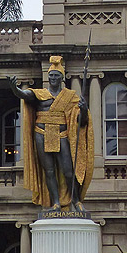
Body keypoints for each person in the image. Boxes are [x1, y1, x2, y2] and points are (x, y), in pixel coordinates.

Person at [8, 55, 94, 212]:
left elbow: (81, 122)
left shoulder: (70, 96)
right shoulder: (40, 94)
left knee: (68, 170)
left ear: (61, 78)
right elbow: (24, 95)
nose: (53, 78)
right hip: (42, 133)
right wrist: (15, 89)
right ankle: (55, 202)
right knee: (49, 170)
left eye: (56, 76)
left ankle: (75, 200)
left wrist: (83, 109)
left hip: (62, 135)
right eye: (51, 76)